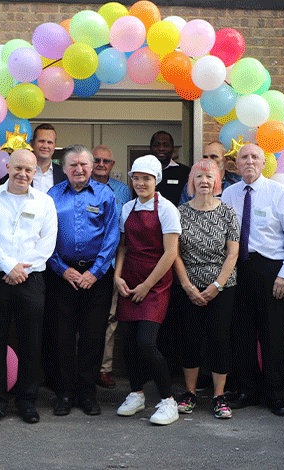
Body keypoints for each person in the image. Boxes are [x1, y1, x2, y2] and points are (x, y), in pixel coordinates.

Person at [0, 149, 57, 425]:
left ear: (35, 173)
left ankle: (27, 401)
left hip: (30, 280)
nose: (22, 174)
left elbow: (47, 244)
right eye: (18, 168)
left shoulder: (45, 202)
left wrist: (19, 269)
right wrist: (8, 265)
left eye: (29, 170)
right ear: (7, 166)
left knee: (31, 341)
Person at [220, 143, 284, 417]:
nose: (249, 161)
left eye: (255, 157)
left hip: (271, 271)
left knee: (272, 334)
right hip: (237, 269)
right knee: (241, 332)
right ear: (236, 164)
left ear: (263, 162)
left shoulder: (278, 192)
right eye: (243, 157)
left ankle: (276, 393)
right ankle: (247, 390)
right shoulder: (229, 194)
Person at [46, 145, 119, 416]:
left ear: (91, 167)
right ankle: (64, 393)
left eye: (84, 164)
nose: (79, 169)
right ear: (63, 168)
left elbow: (112, 236)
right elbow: (44, 236)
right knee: (61, 336)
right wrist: (61, 268)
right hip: (61, 275)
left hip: (95, 277)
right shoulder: (51, 196)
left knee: (92, 336)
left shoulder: (105, 195)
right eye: (73, 165)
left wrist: (95, 271)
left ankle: (87, 393)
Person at [113, 155, 182, 426]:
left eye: (146, 178)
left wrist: (146, 285)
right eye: (136, 178)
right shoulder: (127, 208)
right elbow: (123, 247)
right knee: (128, 343)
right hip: (129, 279)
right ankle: (136, 393)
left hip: (155, 282)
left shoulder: (167, 209)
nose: (140, 183)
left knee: (146, 342)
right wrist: (117, 277)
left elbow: (170, 254)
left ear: (157, 181)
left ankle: (167, 401)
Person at [172, 159, 239, 419]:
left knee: (219, 340)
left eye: (209, 177)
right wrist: (188, 286)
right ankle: (189, 393)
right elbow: (174, 254)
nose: (204, 181)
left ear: (216, 182)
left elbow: (232, 254)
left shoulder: (227, 213)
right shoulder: (180, 212)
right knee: (190, 339)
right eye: (199, 176)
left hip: (222, 287)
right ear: (192, 181)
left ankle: (218, 396)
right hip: (188, 286)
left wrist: (217, 285)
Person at [91, 145, 131, 390]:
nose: (101, 164)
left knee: (111, 318)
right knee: (84, 319)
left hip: (114, 265)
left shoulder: (123, 191)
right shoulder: (80, 185)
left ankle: (103, 369)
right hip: (86, 265)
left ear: (113, 164)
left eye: (106, 160)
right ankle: (81, 367)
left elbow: (126, 228)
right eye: (97, 159)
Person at [149, 130, 190, 205]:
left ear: (172, 148)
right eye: (157, 145)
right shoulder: (144, 171)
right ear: (151, 148)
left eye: (166, 145)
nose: (161, 148)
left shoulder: (185, 172)